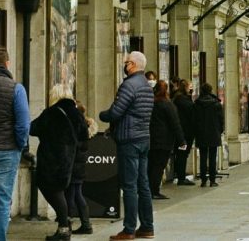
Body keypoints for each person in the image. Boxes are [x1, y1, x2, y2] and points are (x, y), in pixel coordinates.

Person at [99, 51, 154, 241]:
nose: (125, 65)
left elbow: (116, 112)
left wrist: (102, 115)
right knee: (143, 184)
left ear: (132, 64)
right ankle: (147, 226)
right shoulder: (146, 86)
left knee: (129, 186)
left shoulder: (129, 85)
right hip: (143, 138)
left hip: (129, 139)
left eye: (126, 62)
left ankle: (129, 229)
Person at [30, 85, 88, 241]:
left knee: (52, 190)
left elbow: (33, 128)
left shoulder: (51, 113)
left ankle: (63, 228)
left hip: (51, 160)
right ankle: (64, 224)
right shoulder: (76, 113)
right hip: (70, 160)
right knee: (60, 192)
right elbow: (84, 134)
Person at [0, 45, 30, 241]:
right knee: (1, 201)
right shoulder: (16, 88)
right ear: (7, 63)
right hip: (5, 151)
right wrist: (20, 145)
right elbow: (23, 125)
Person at [148, 80, 186, 199]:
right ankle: (154, 190)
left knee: (151, 165)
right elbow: (175, 123)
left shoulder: (151, 103)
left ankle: (148, 189)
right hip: (164, 140)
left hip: (150, 138)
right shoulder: (168, 104)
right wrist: (181, 140)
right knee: (159, 166)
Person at [66, 101, 98, 235]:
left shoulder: (77, 127)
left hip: (74, 166)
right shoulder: (84, 126)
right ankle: (85, 224)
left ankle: (73, 224)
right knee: (76, 194)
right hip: (79, 166)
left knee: (73, 195)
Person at [194, 83, 224, 187]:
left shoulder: (197, 104)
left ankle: (203, 180)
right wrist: (219, 130)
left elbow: (195, 120)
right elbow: (221, 120)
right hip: (214, 133)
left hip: (201, 133)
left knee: (203, 156)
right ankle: (212, 179)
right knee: (212, 156)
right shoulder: (216, 104)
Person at [173, 79, 195, 185]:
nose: (191, 88)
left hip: (184, 131)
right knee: (182, 153)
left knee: (183, 153)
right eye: (189, 86)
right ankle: (181, 176)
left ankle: (180, 174)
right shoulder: (182, 99)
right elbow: (191, 110)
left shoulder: (180, 98)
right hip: (184, 132)